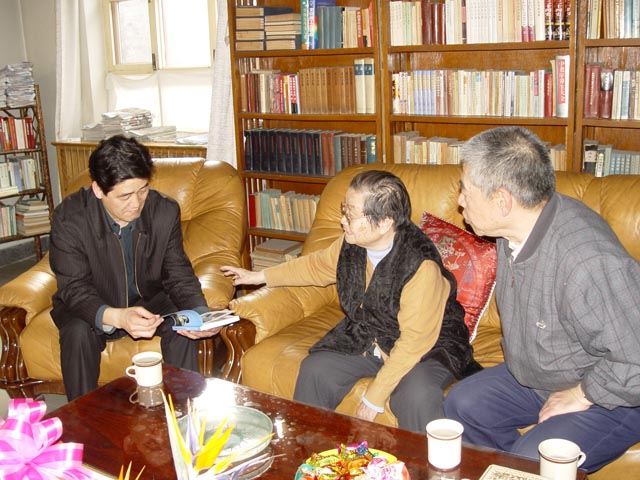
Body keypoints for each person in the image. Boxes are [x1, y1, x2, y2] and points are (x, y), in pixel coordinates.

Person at [222, 170, 481, 433]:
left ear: (384, 222)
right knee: (316, 370)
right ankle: (310, 449)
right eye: (343, 210)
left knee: (416, 396)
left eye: (351, 215)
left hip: (429, 348)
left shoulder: (419, 265)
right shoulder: (352, 242)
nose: (342, 220)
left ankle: (427, 460)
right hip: (373, 336)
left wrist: (374, 398)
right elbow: (316, 267)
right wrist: (259, 276)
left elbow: (414, 342)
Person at [444, 126, 640, 473]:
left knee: (534, 460)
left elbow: (635, 359)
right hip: (541, 378)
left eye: (466, 191)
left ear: (502, 201)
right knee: (463, 404)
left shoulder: (588, 261)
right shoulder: (513, 230)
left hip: (616, 396)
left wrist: (582, 394)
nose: (460, 201)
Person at [50, 135, 217, 400]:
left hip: (149, 299)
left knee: (184, 323)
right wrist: (117, 317)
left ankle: (184, 409)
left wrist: (200, 314)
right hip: (92, 303)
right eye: (125, 195)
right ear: (98, 190)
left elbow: (177, 272)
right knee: (77, 333)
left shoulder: (164, 211)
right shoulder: (70, 218)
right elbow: (74, 288)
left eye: (143, 190)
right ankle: (81, 416)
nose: (136, 203)